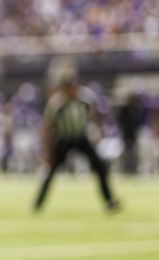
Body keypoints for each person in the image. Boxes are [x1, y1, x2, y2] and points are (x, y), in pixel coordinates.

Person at [33, 74, 120, 213]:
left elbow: (94, 115)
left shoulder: (84, 99)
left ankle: (109, 201)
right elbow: (47, 127)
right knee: (51, 170)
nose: (73, 91)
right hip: (62, 138)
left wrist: (97, 133)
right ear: (65, 90)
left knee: (100, 167)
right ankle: (38, 203)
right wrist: (47, 149)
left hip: (80, 137)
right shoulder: (57, 103)